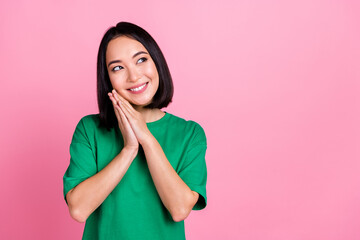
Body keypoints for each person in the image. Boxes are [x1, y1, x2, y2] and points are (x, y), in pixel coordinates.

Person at [63, 21, 207, 240]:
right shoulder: (89, 129)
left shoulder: (189, 134)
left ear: (157, 62)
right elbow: (79, 210)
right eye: (117, 67)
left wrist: (146, 138)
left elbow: (179, 209)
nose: (134, 76)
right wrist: (129, 149)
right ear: (107, 79)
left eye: (141, 60)